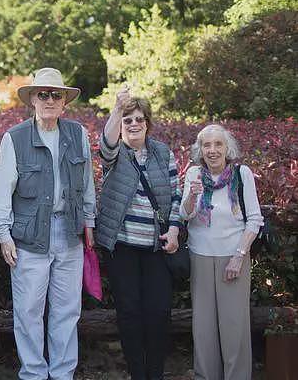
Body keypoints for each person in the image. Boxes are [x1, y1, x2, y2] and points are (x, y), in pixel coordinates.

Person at [0, 68, 96, 380]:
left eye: (56, 94)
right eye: (43, 94)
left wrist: (88, 223)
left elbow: (88, 184)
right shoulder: (15, 138)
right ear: (33, 100)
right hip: (29, 238)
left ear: (64, 101)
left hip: (69, 233)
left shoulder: (78, 135)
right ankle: (34, 374)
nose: (49, 99)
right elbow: (3, 192)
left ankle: (63, 374)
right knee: (28, 313)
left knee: (67, 312)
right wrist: (3, 234)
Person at [96, 88, 184, 380]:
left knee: (158, 314)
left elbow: (175, 196)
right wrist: (116, 109)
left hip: (157, 248)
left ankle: (154, 374)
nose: (133, 124)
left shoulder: (162, 153)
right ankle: (137, 374)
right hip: (122, 248)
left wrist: (173, 230)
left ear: (148, 123)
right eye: (127, 120)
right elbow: (105, 143)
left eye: (139, 119)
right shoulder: (114, 154)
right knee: (130, 314)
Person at [181, 124, 263, 380]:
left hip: (233, 257)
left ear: (228, 149)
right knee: (203, 328)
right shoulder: (194, 173)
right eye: (207, 145)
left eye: (218, 145)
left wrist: (239, 255)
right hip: (201, 256)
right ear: (200, 150)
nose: (212, 150)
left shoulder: (242, 174)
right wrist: (192, 197)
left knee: (234, 327)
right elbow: (185, 215)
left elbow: (254, 220)